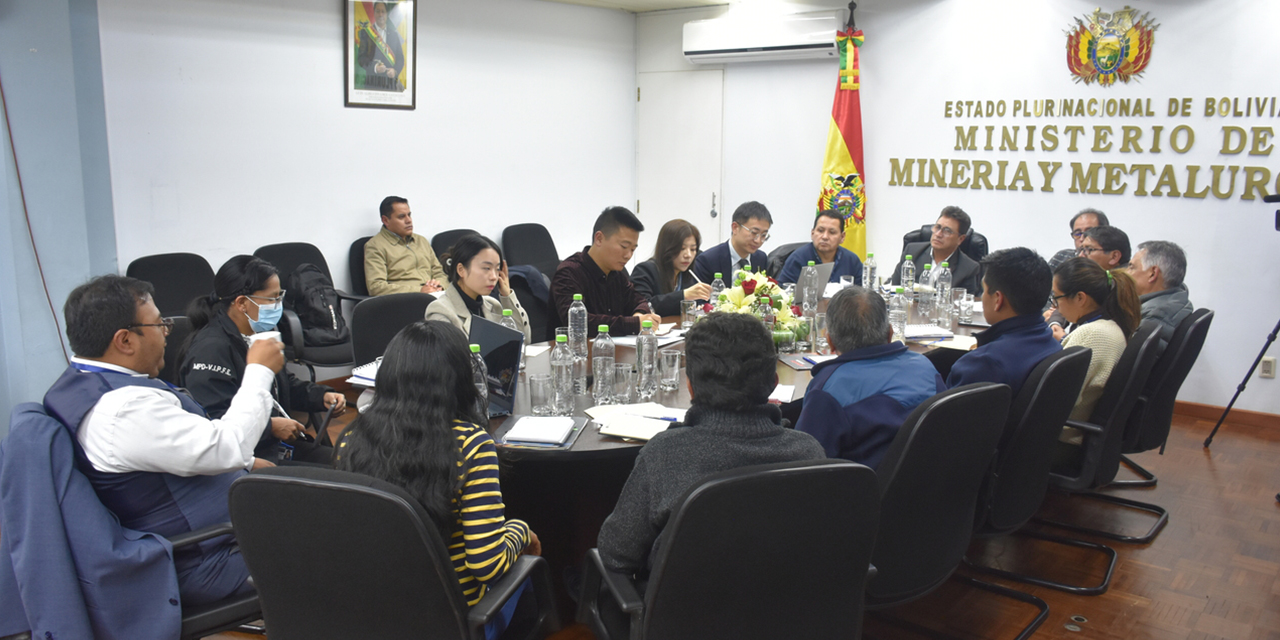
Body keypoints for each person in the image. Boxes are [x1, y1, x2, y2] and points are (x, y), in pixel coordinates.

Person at [41, 274, 284, 605]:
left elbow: (164, 449)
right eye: (160, 325)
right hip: (206, 558)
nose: (167, 334)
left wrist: (245, 463)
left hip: (222, 530)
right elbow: (226, 447)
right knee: (344, 539)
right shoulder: (122, 411)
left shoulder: (83, 382)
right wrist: (259, 371)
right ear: (125, 340)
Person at [335, 321, 540, 636]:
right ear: (460, 379)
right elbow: (487, 564)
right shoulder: (471, 444)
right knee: (529, 572)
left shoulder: (352, 439)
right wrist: (521, 531)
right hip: (454, 620)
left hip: (372, 615)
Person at [596, 312, 825, 583]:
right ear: (774, 383)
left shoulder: (665, 455)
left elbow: (616, 555)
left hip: (682, 622)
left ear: (690, 388)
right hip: (792, 617)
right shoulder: (809, 454)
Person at [180, 255, 345, 465]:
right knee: (342, 477)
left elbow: (282, 386)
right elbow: (212, 422)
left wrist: (321, 396)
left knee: (350, 463)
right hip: (246, 459)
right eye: (272, 299)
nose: (278, 306)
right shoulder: (211, 349)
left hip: (274, 445)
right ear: (241, 303)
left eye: (279, 297)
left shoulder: (255, 335)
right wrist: (271, 426)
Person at [794, 287, 945, 468]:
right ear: (890, 334)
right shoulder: (926, 368)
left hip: (862, 492)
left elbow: (803, 465)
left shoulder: (828, 390)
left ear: (830, 341)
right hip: (930, 484)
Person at [946, 248, 1061, 397]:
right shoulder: (1049, 339)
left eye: (984, 290)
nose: (982, 297)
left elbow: (942, 418)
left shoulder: (984, 363)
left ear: (998, 300)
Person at [1051, 257, 1141, 422]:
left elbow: (1056, 399)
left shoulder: (1091, 334)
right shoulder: (1110, 325)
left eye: (1056, 298)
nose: (1055, 306)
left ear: (1080, 298)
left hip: (1065, 435)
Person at [551, 206, 660, 336]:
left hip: (610, 350)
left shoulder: (616, 274)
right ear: (599, 238)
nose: (628, 255)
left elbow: (640, 301)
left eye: (632, 249)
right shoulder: (569, 272)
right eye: (624, 246)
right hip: (571, 352)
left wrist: (640, 315)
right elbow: (579, 323)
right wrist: (634, 323)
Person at [425, 234, 532, 342]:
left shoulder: (493, 305)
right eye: (486, 268)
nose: (494, 277)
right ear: (461, 270)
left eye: (497, 269)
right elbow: (453, 357)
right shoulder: (440, 311)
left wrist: (507, 296)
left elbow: (524, 341)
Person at [364, 195, 447, 296]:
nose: (409, 220)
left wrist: (439, 285)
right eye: (401, 216)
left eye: (409, 215)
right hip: (405, 300)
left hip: (435, 295)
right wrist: (419, 290)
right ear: (386, 220)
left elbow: (440, 273)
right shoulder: (375, 246)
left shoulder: (421, 241)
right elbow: (376, 287)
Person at [890, 206, 983, 295]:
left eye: (947, 231)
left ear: (960, 239)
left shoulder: (969, 269)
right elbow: (895, 287)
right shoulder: (912, 252)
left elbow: (963, 303)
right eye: (937, 227)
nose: (938, 234)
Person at [629, 219, 712, 317]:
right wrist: (684, 295)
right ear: (667, 247)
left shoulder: (689, 273)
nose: (688, 255)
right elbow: (644, 306)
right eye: (682, 248)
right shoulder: (645, 270)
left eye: (693, 249)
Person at [1128, 240, 1194, 344]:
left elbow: (1129, 358)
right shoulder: (1178, 297)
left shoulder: (1154, 316)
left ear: (1153, 273)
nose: (1126, 273)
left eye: (1131, 267)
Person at [777, 209, 864, 286]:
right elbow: (783, 292)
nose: (825, 237)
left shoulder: (852, 261)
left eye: (832, 232)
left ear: (842, 237)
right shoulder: (797, 258)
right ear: (812, 233)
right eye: (820, 231)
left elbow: (862, 293)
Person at [691, 201, 772, 283]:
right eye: (754, 233)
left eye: (764, 235)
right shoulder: (708, 260)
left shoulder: (761, 259)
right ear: (735, 227)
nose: (758, 241)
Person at [355, 1, 405, 92]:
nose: (380, 14)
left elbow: (400, 58)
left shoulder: (394, 35)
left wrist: (395, 71)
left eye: (383, 11)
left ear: (386, 14)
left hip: (390, 85)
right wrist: (375, 68)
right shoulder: (367, 33)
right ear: (374, 13)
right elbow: (361, 58)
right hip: (372, 84)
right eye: (378, 11)